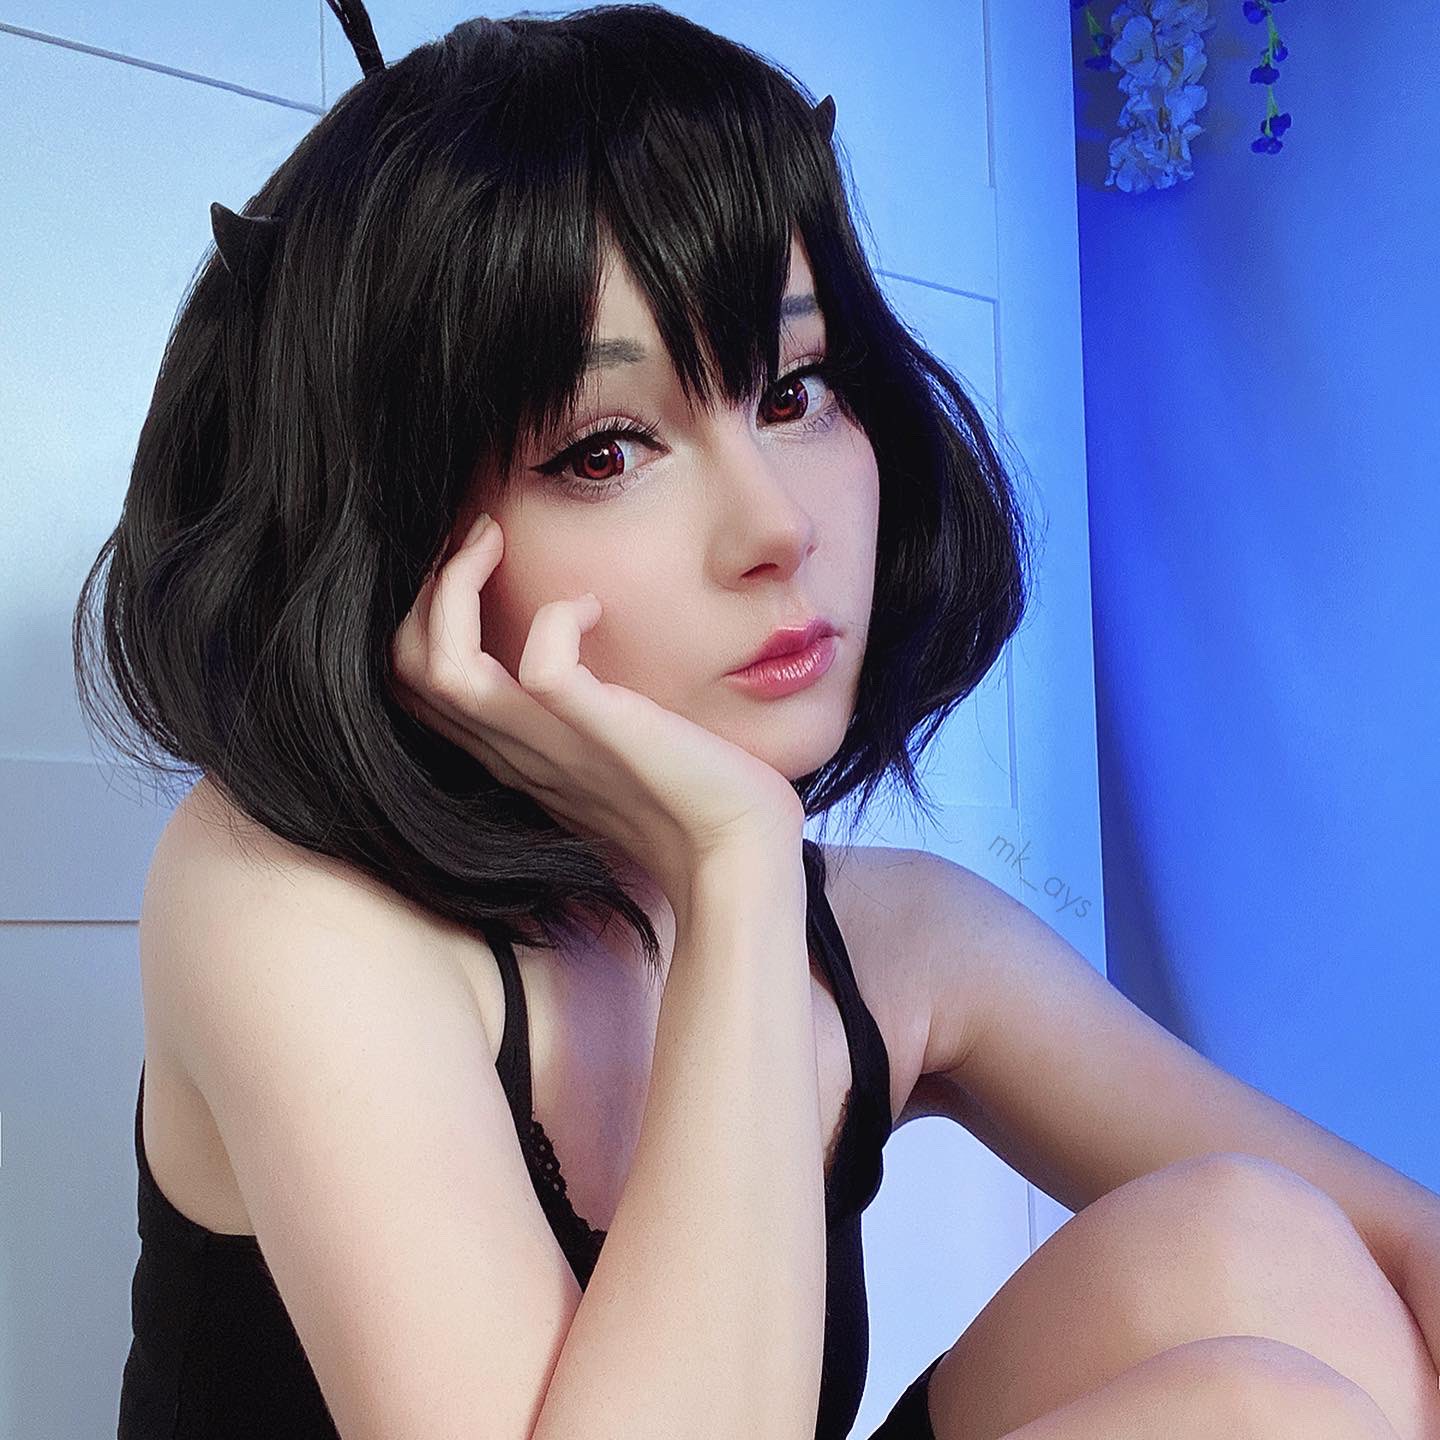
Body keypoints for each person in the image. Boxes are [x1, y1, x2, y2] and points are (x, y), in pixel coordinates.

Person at [76, 5, 1435, 1440]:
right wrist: (734, 866)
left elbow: (1406, 1248)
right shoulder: (281, 906)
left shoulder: (898, 939)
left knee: (1265, 1253)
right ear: (395, 538)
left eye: (795, 391)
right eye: (607, 448)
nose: (777, 524)